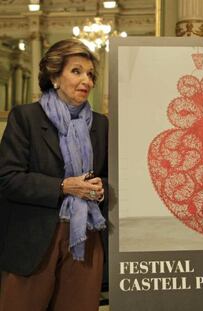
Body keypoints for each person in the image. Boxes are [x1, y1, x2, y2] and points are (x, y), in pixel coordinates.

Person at [0, 39, 108, 311]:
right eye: (77, 71)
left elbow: (107, 177)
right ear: (54, 76)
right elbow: (8, 178)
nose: (87, 80)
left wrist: (102, 187)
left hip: (87, 236)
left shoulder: (101, 124)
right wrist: (63, 186)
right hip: (35, 238)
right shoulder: (26, 117)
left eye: (90, 74)